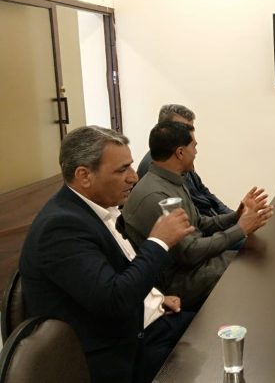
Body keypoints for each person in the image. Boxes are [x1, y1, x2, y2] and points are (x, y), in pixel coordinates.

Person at [20, 126, 196, 383]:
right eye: (122, 170)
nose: (134, 177)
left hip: (147, 323)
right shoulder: (60, 227)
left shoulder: (96, 208)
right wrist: (159, 241)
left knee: (224, 326)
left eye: (131, 166)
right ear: (84, 176)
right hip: (121, 353)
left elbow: (113, 272)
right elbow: (114, 300)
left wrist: (152, 297)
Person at [122, 121, 273, 311]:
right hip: (179, 281)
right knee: (251, 269)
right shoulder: (156, 196)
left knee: (256, 256)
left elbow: (198, 223)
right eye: (194, 146)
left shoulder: (173, 180)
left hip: (196, 266)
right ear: (180, 152)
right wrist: (241, 229)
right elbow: (189, 253)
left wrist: (236, 216)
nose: (196, 152)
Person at [137, 104, 232, 216]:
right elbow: (188, 218)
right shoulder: (153, 167)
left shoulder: (183, 160)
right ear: (165, 129)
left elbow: (204, 193)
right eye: (183, 129)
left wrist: (234, 216)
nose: (189, 136)